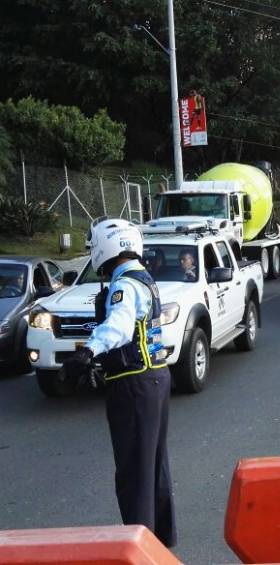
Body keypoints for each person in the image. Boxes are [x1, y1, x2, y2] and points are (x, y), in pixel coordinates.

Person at [63, 218, 177, 547]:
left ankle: (139, 550)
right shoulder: (143, 278)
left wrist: (88, 353)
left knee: (134, 475)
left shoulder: (124, 284)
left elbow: (121, 326)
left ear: (106, 247)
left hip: (134, 384)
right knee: (153, 468)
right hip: (155, 377)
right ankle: (159, 544)